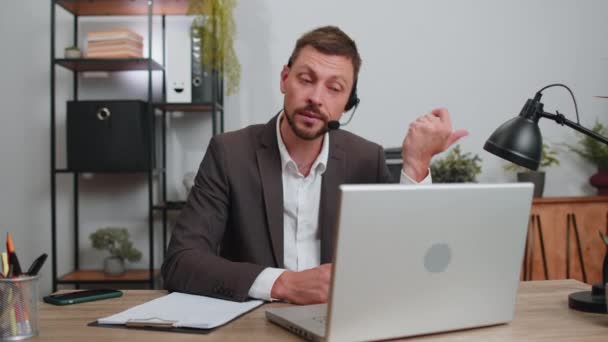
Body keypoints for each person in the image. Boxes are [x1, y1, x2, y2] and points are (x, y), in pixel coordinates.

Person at [161, 26, 468, 304]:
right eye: (306, 80)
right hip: (253, 326)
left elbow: (406, 264)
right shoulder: (229, 153)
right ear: (285, 79)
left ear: (348, 102)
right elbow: (181, 261)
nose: (316, 98)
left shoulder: (366, 158)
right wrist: (283, 284)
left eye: (335, 88)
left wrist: (416, 164)